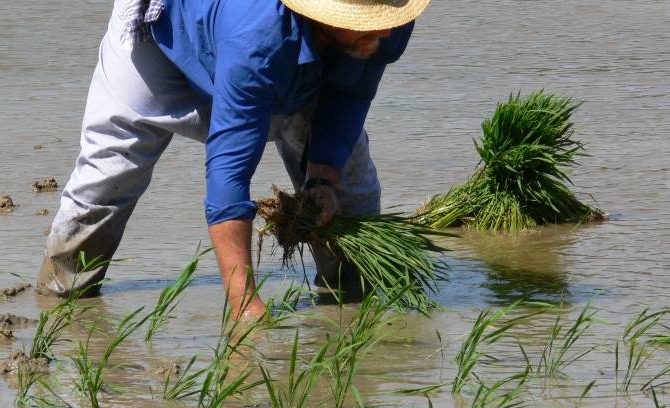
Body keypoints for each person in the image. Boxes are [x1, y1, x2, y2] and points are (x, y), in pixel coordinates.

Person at [37, 0, 431, 319]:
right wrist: (245, 306)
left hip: (290, 61)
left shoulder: (388, 21)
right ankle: (60, 301)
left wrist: (323, 179)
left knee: (352, 197)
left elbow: (350, 95)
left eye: (386, 16)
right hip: (160, 47)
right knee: (107, 182)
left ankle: (349, 309)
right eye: (367, 20)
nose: (385, 29)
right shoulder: (259, 36)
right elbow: (229, 169)